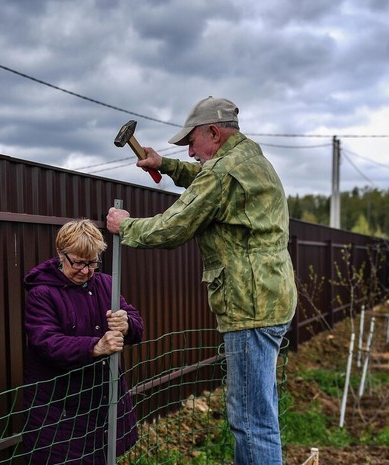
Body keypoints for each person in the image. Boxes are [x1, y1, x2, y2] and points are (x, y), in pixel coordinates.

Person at [106, 96, 297, 465]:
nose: (190, 151)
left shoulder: (223, 172)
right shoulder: (249, 160)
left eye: (191, 142)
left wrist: (124, 226)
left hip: (249, 304)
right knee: (260, 414)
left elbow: (173, 227)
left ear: (214, 132)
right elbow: (207, 180)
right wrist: (165, 165)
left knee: (250, 421)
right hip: (271, 298)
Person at [20, 219, 144, 465]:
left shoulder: (107, 284)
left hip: (102, 405)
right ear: (60, 255)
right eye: (78, 262)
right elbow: (46, 342)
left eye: (92, 263)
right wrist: (96, 347)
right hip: (59, 410)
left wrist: (126, 323)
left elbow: (136, 324)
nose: (86, 271)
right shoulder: (42, 293)